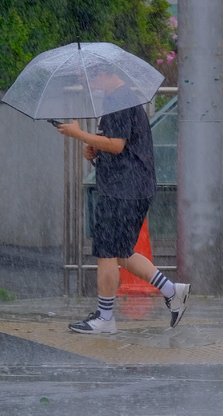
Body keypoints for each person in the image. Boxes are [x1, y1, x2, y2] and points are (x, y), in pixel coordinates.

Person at [57, 66, 191, 334]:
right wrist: (94, 149)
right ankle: (172, 291)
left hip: (122, 189)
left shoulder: (117, 99)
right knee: (122, 252)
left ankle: (105, 318)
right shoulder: (123, 98)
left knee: (107, 252)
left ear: (102, 73)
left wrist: (78, 133)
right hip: (132, 187)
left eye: (87, 77)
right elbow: (119, 145)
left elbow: (117, 145)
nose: (86, 82)